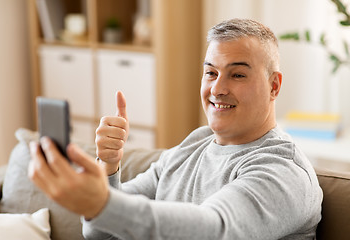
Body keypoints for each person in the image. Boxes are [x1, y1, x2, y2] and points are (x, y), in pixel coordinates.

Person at [29, 18, 323, 239]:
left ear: (274, 86)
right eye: (211, 72)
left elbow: (215, 229)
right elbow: (100, 231)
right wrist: (107, 167)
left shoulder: (283, 171)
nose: (217, 89)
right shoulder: (196, 143)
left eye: (237, 74)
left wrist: (102, 204)